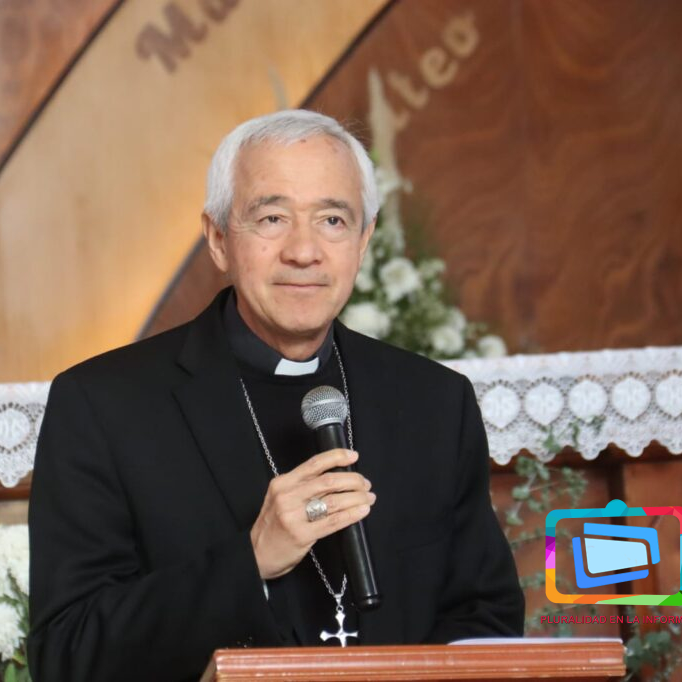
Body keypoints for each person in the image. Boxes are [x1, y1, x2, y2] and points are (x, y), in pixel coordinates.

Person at [27, 110, 524, 681]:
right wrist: (250, 563)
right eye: (272, 218)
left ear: (363, 242)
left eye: (333, 220)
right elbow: (66, 654)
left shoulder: (434, 402)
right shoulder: (104, 405)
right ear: (218, 239)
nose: (304, 251)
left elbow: (486, 617)